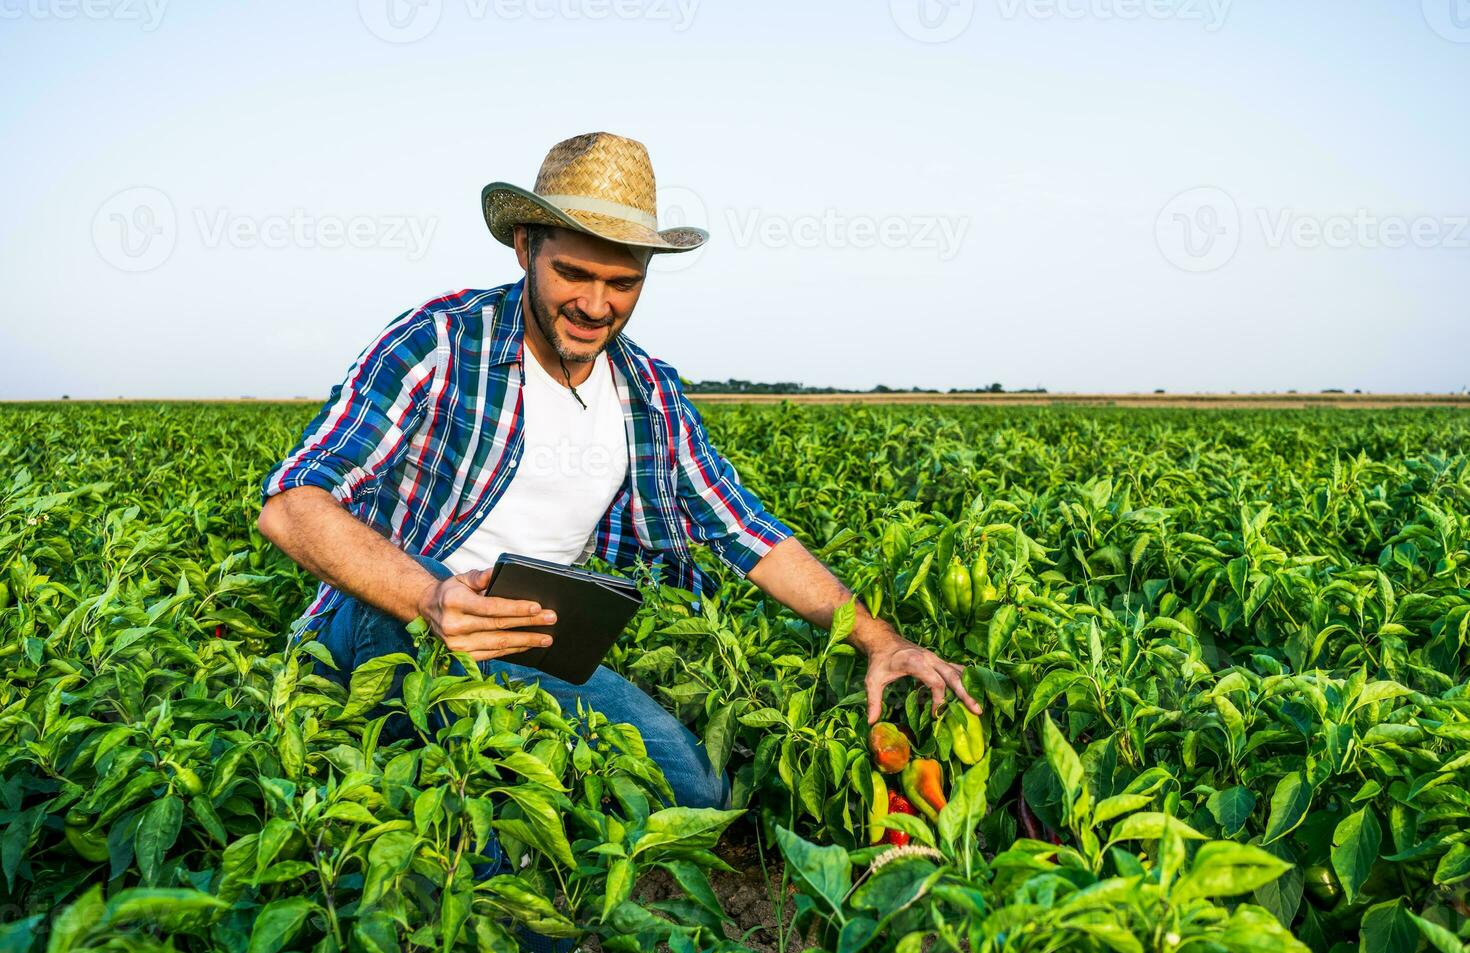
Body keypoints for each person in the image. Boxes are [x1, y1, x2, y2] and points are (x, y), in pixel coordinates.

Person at [257, 131, 982, 813]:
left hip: (528, 644)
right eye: (572, 272)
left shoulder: (647, 395)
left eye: (622, 282)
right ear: (524, 248)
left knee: (698, 797)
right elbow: (293, 504)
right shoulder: (444, 342)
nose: (595, 305)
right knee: (456, 806)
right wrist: (431, 597)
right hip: (392, 621)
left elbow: (746, 532)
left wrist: (881, 641)